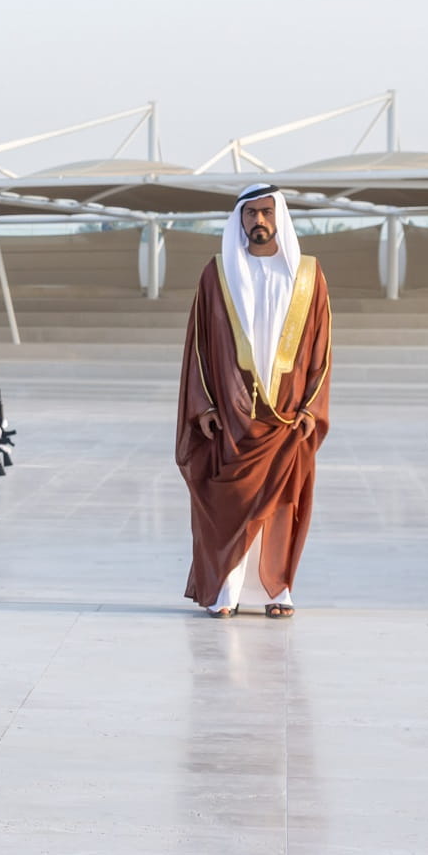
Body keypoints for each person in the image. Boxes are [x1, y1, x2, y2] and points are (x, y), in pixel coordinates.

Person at [176, 183, 332, 619]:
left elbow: (320, 350)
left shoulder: (307, 275)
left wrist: (310, 408)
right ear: (239, 219)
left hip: (286, 418)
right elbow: (199, 349)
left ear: (279, 215)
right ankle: (226, 593)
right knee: (229, 505)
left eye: (266, 212)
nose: (259, 221)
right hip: (231, 415)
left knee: (282, 503)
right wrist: (202, 407)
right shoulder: (217, 274)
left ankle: (276, 591)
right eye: (250, 214)